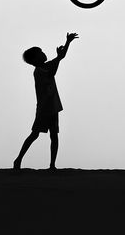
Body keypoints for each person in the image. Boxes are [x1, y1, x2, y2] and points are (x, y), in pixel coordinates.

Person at [13, 32, 78, 171]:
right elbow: (54, 68)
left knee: (54, 136)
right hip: (44, 109)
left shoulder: (46, 66)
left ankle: (52, 165)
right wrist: (60, 55)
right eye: (40, 53)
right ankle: (18, 160)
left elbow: (60, 58)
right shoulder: (39, 71)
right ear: (34, 59)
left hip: (52, 107)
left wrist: (67, 42)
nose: (43, 53)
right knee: (35, 134)